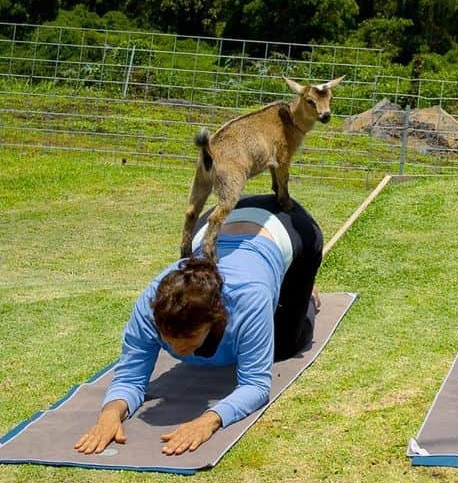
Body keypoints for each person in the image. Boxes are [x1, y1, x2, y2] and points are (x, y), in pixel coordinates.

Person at [74, 194, 323, 457]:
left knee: (284, 346)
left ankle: (303, 294)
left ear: (215, 318)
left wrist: (209, 420)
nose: (177, 349)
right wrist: (110, 413)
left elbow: (256, 385)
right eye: (167, 338)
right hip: (218, 219)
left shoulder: (249, 298)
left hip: (288, 223)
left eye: (187, 339)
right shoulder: (150, 303)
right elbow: (130, 377)